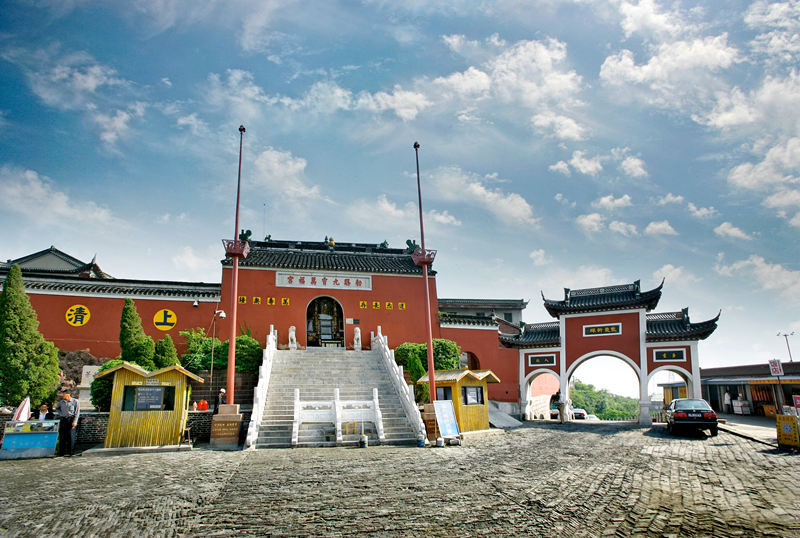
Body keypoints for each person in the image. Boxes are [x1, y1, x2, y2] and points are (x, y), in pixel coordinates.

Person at [54, 390, 80, 456]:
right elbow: (57, 408)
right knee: (62, 436)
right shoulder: (61, 402)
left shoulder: (75, 401)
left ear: (68, 394)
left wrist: (75, 421)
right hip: (63, 419)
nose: (63, 395)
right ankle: (61, 452)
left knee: (71, 437)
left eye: (64, 394)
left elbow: (77, 412)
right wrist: (61, 414)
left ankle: (71, 452)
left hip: (71, 419)